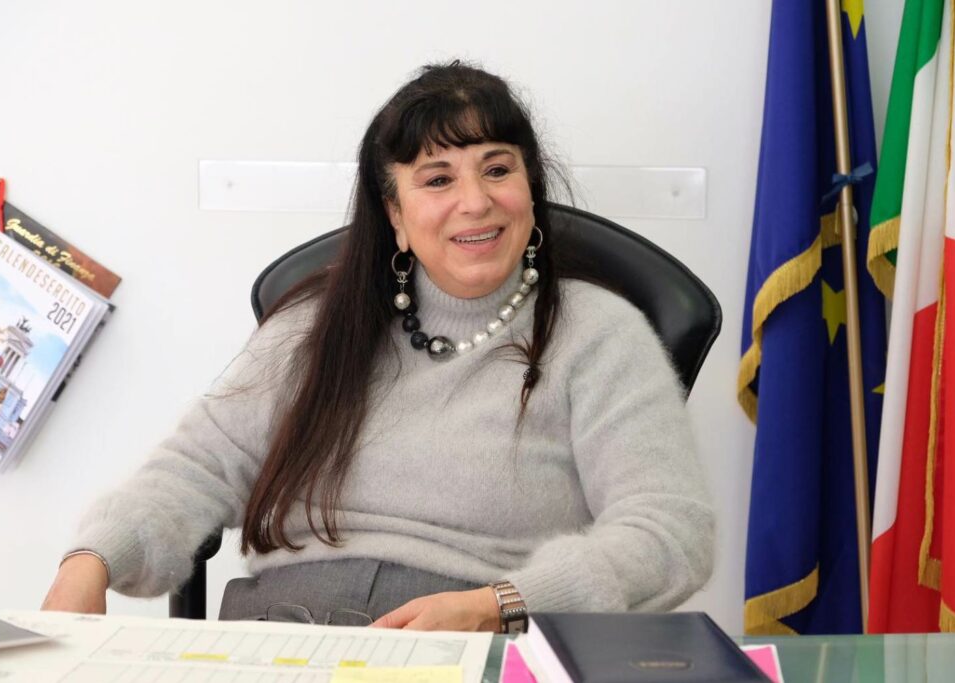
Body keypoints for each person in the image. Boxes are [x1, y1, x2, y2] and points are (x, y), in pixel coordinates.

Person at [42, 61, 714, 633]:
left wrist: (500, 605)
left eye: (496, 169)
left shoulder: (600, 334)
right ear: (395, 213)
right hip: (282, 638)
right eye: (438, 179)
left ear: (529, 189)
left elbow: (669, 531)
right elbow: (195, 468)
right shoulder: (315, 324)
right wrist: (89, 561)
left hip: (477, 642)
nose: (475, 201)